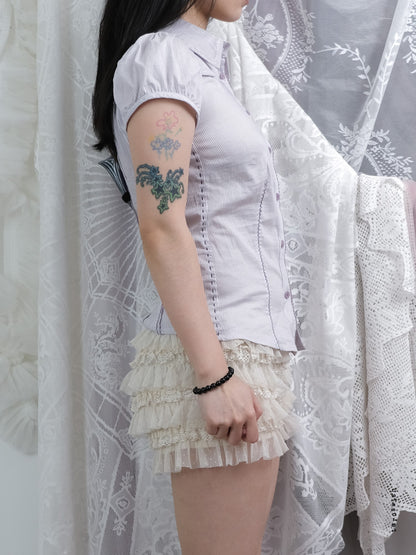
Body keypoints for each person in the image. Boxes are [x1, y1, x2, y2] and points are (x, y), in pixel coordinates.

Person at [92, 1, 302, 553]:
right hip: (217, 354)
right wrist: (214, 377)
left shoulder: (199, 63)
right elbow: (162, 225)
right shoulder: (160, 59)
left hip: (241, 348)